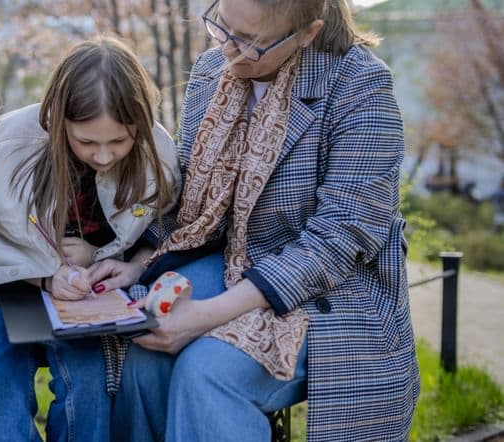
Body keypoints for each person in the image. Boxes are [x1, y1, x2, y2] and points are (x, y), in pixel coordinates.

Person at [98, 0, 420, 440]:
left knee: (207, 373)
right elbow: (188, 198)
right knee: (147, 354)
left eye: (250, 42)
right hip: (236, 258)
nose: (229, 49)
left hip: (334, 288)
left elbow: (337, 241)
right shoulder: (212, 71)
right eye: (222, 27)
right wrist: (139, 261)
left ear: (308, 32)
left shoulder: (362, 86)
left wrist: (204, 316)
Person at [0, 36, 180, 442]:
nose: (102, 156)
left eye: (119, 141)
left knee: (89, 376)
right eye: (86, 142)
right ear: (57, 118)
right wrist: (43, 274)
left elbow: (165, 225)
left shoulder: (157, 152)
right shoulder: (7, 146)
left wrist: (125, 261)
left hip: (86, 296)